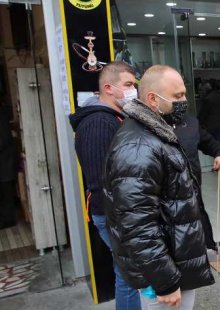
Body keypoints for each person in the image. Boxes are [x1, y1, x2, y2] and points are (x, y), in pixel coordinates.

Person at [104, 65, 215, 310]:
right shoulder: (138, 145)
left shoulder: (157, 131)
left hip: (176, 262)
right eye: (177, 97)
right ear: (153, 99)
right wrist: (164, 281)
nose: (184, 101)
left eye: (184, 94)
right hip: (164, 275)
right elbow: (138, 226)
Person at [68, 61, 140, 310]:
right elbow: (101, 180)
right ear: (108, 88)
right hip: (113, 214)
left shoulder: (115, 118)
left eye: (135, 85)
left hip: (118, 212)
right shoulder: (99, 123)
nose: (134, 90)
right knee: (130, 274)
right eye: (128, 85)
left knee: (127, 272)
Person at [173, 113, 220, 251]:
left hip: (193, 183)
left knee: (199, 217)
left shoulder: (190, 122)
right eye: (177, 95)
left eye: (183, 95)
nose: (182, 99)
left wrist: (219, 153)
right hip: (169, 192)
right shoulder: (147, 124)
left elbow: (208, 142)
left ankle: (208, 246)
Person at [198, 79, 220, 172]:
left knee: (217, 147)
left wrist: (199, 124)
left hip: (215, 127)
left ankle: (219, 167)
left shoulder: (208, 98)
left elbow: (203, 114)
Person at [0, 100, 18, 229]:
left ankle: (8, 220)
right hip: (5, 160)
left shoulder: (2, 114)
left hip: (4, 161)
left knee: (6, 192)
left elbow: (4, 139)